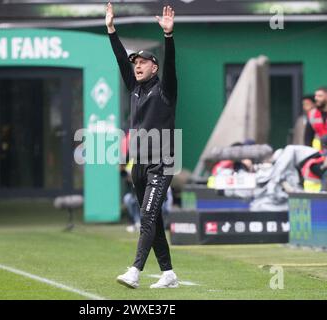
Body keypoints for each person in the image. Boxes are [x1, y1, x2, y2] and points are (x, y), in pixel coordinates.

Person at [106, 2, 179, 289]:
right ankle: (168, 273)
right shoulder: (135, 89)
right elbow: (120, 60)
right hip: (139, 163)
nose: (136, 65)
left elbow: (171, 65)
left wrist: (168, 37)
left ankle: (135, 270)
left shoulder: (166, 90)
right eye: (135, 62)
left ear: (155, 67)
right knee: (153, 217)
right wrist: (111, 29)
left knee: (147, 216)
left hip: (163, 161)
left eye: (142, 62)